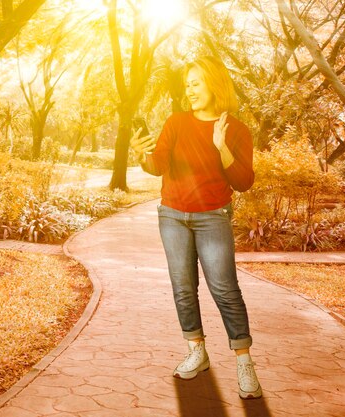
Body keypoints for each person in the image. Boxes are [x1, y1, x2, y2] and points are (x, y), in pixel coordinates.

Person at [130, 56, 262, 399]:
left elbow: (244, 182)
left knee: (224, 289)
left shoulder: (236, 130)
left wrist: (221, 147)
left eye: (196, 83)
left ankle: (244, 363)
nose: (189, 90)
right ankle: (196, 351)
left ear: (214, 84)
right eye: (186, 84)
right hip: (172, 215)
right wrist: (141, 154)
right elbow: (157, 165)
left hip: (213, 216)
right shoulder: (175, 123)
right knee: (183, 288)